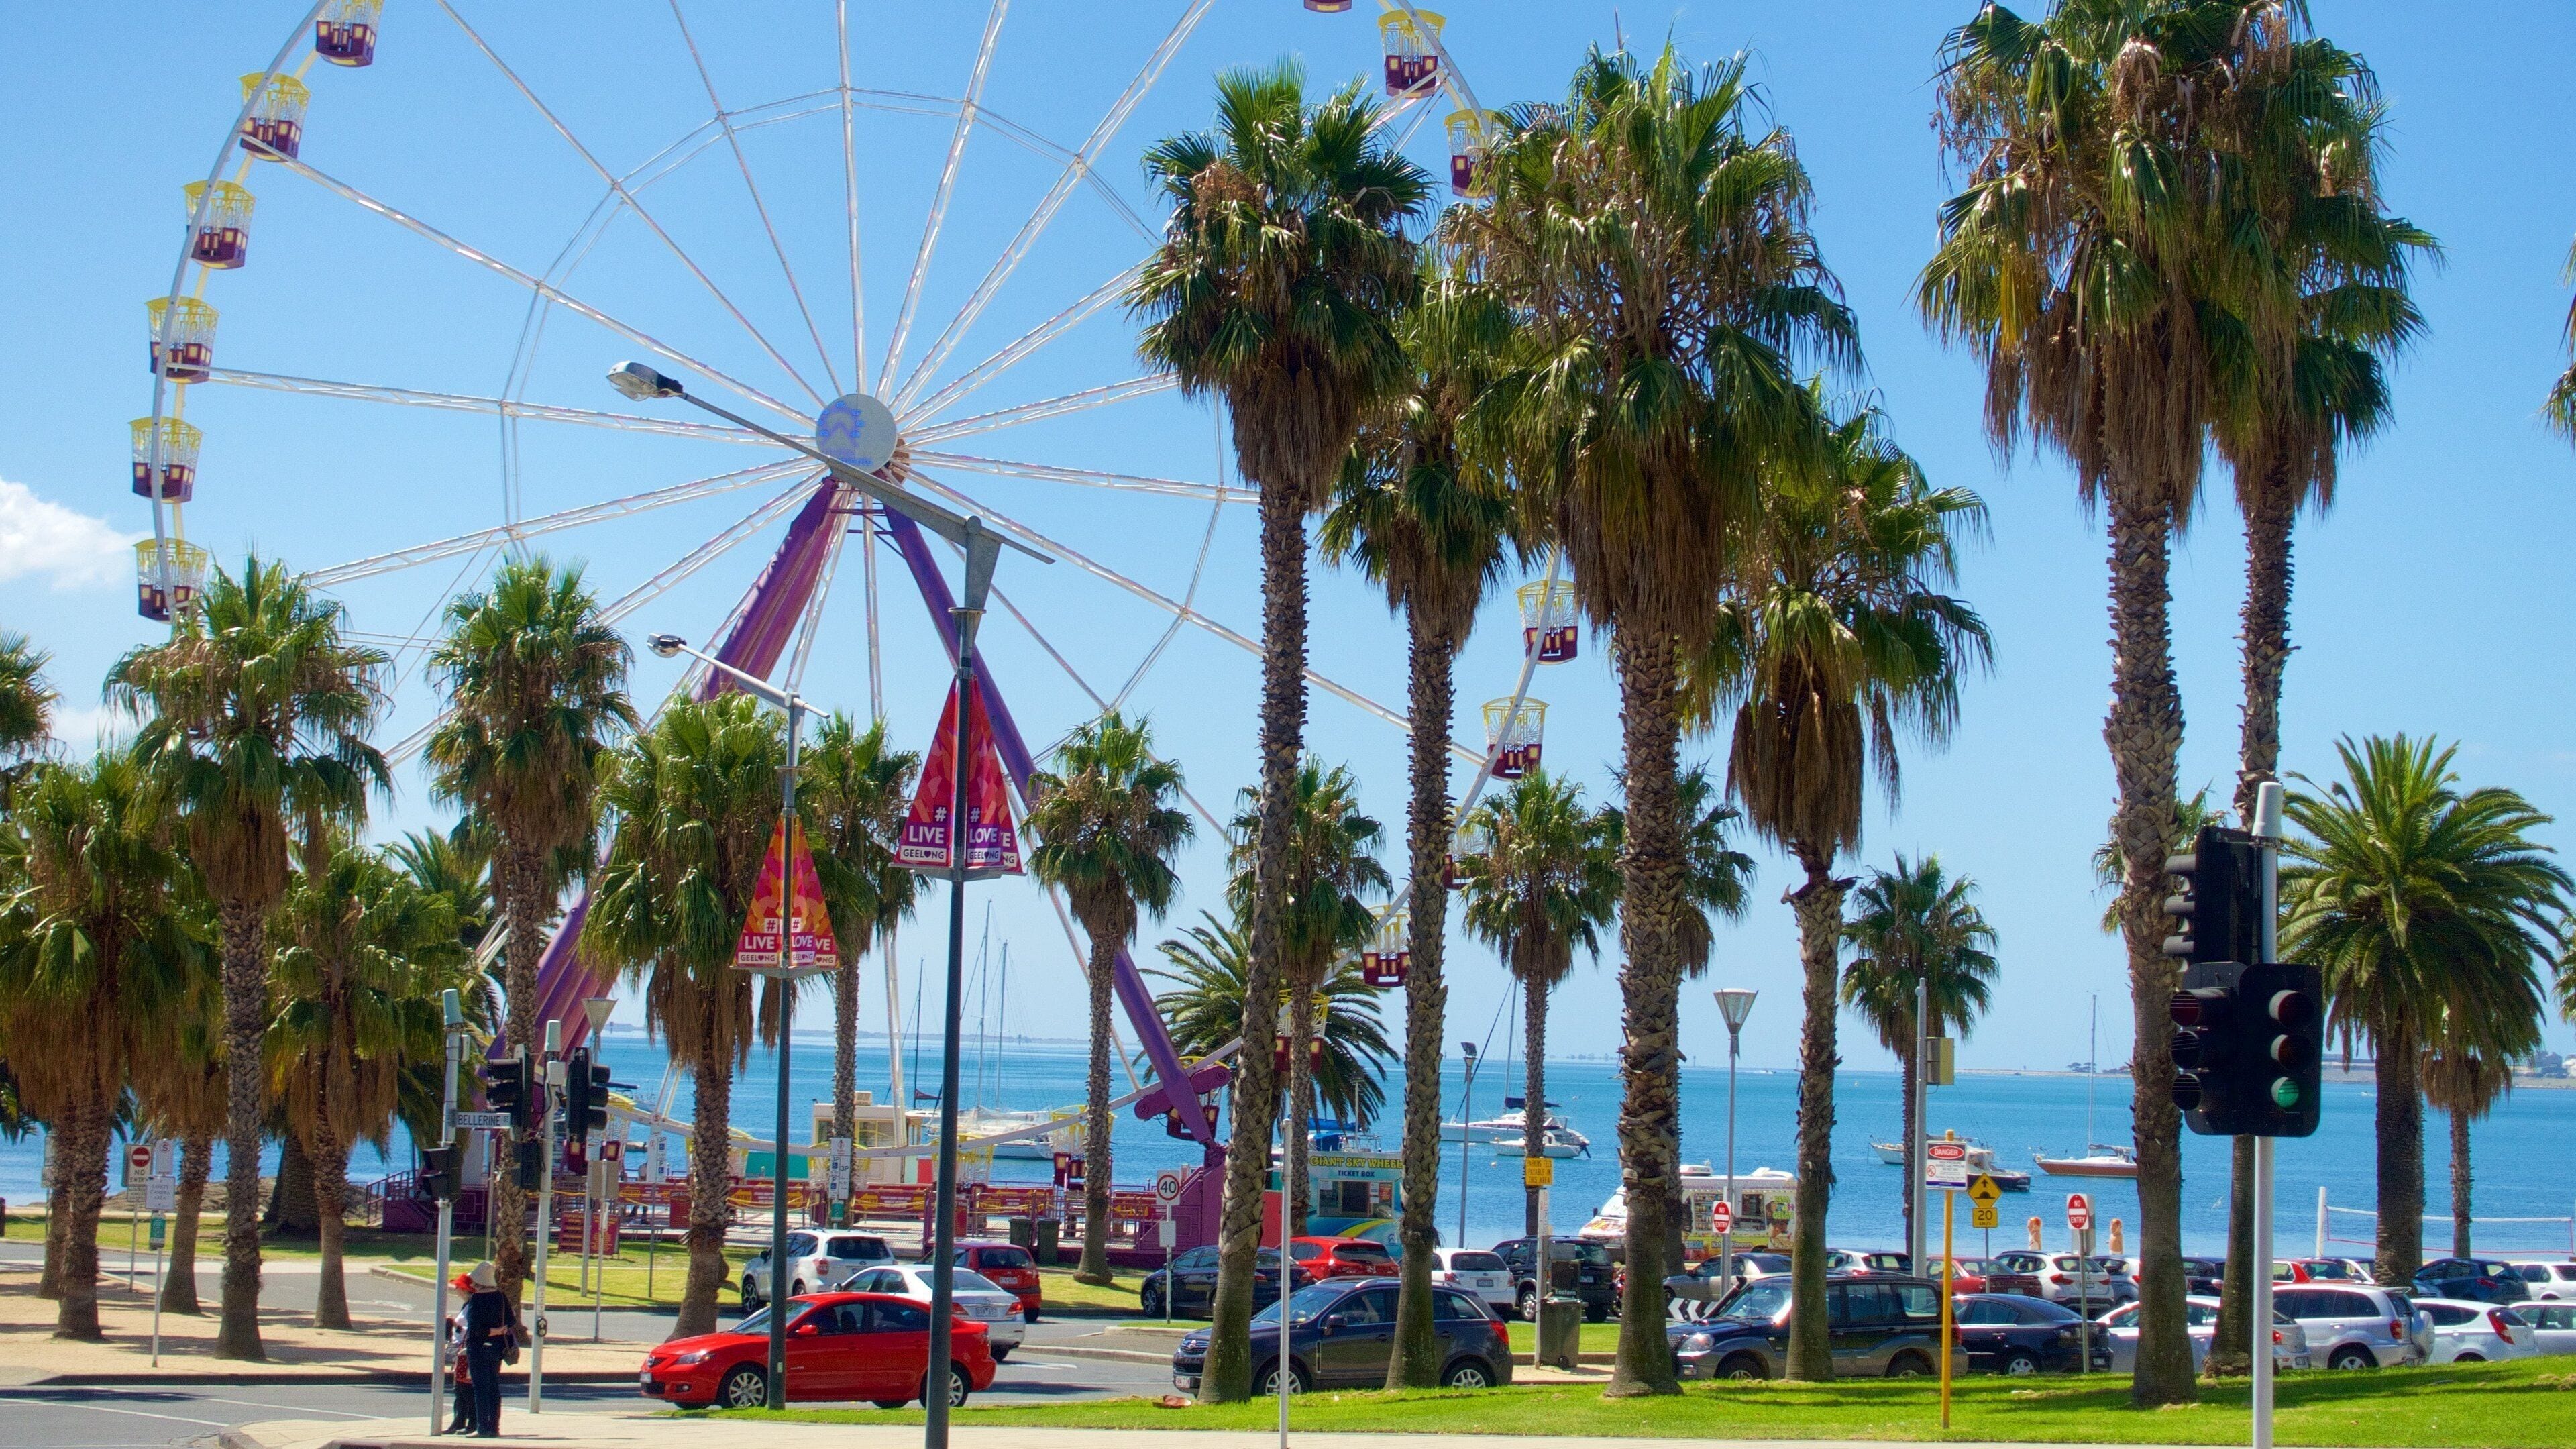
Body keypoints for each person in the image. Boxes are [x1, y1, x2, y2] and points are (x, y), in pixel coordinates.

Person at [460, 1261, 519, 1437]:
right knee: (493, 1386)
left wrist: (491, 1331)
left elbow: (475, 1328)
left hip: (478, 1348)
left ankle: (483, 1427)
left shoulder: (476, 1299)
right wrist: (499, 1330)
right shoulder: (501, 1297)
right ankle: (494, 1426)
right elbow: (511, 1321)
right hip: (498, 1347)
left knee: (480, 1388)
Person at [444, 1272, 476, 1434]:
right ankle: (459, 1420)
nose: (456, 1291)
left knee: (466, 1389)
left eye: (458, 1288)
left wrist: (456, 1326)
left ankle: (469, 1422)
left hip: (466, 1351)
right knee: (460, 1389)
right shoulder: (466, 1305)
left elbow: (470, 1330)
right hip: (459, 1350)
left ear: (465, 1289)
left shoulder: (473, 1306)